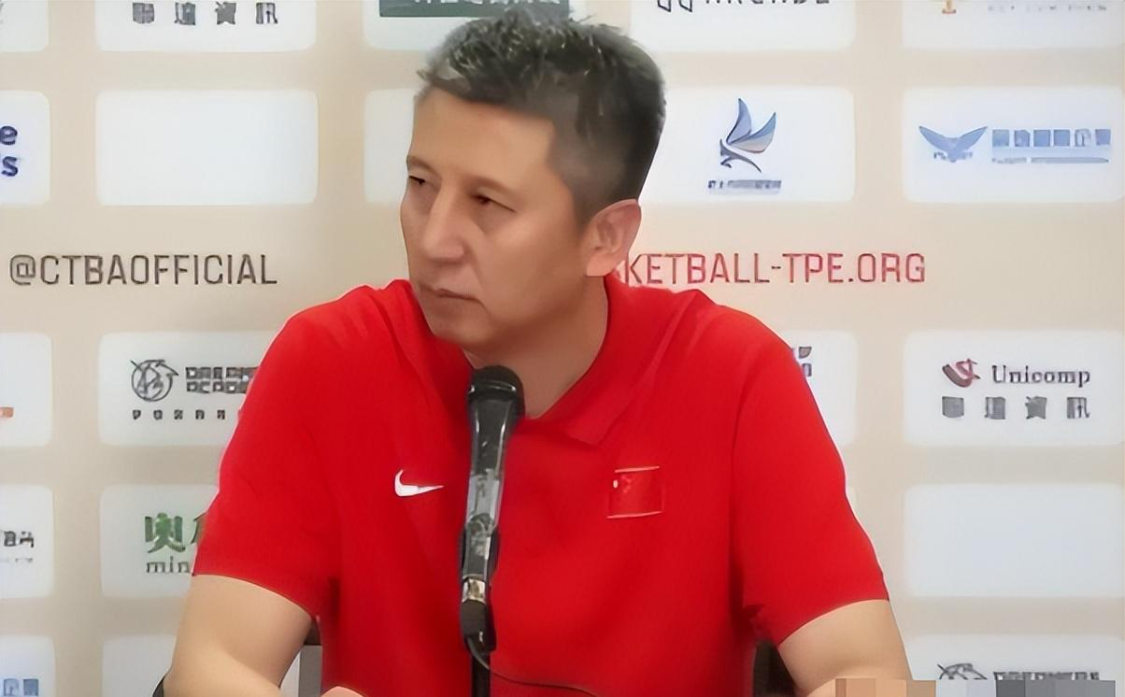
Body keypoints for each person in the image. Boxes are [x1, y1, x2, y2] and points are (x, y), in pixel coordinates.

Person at [164, 7, 911, 697]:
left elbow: (865, 670)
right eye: (420, 183)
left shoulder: (731, 374)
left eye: (487, 204)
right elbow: (214, 662)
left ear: (605, 237)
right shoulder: (332, 360)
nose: (434, 239)